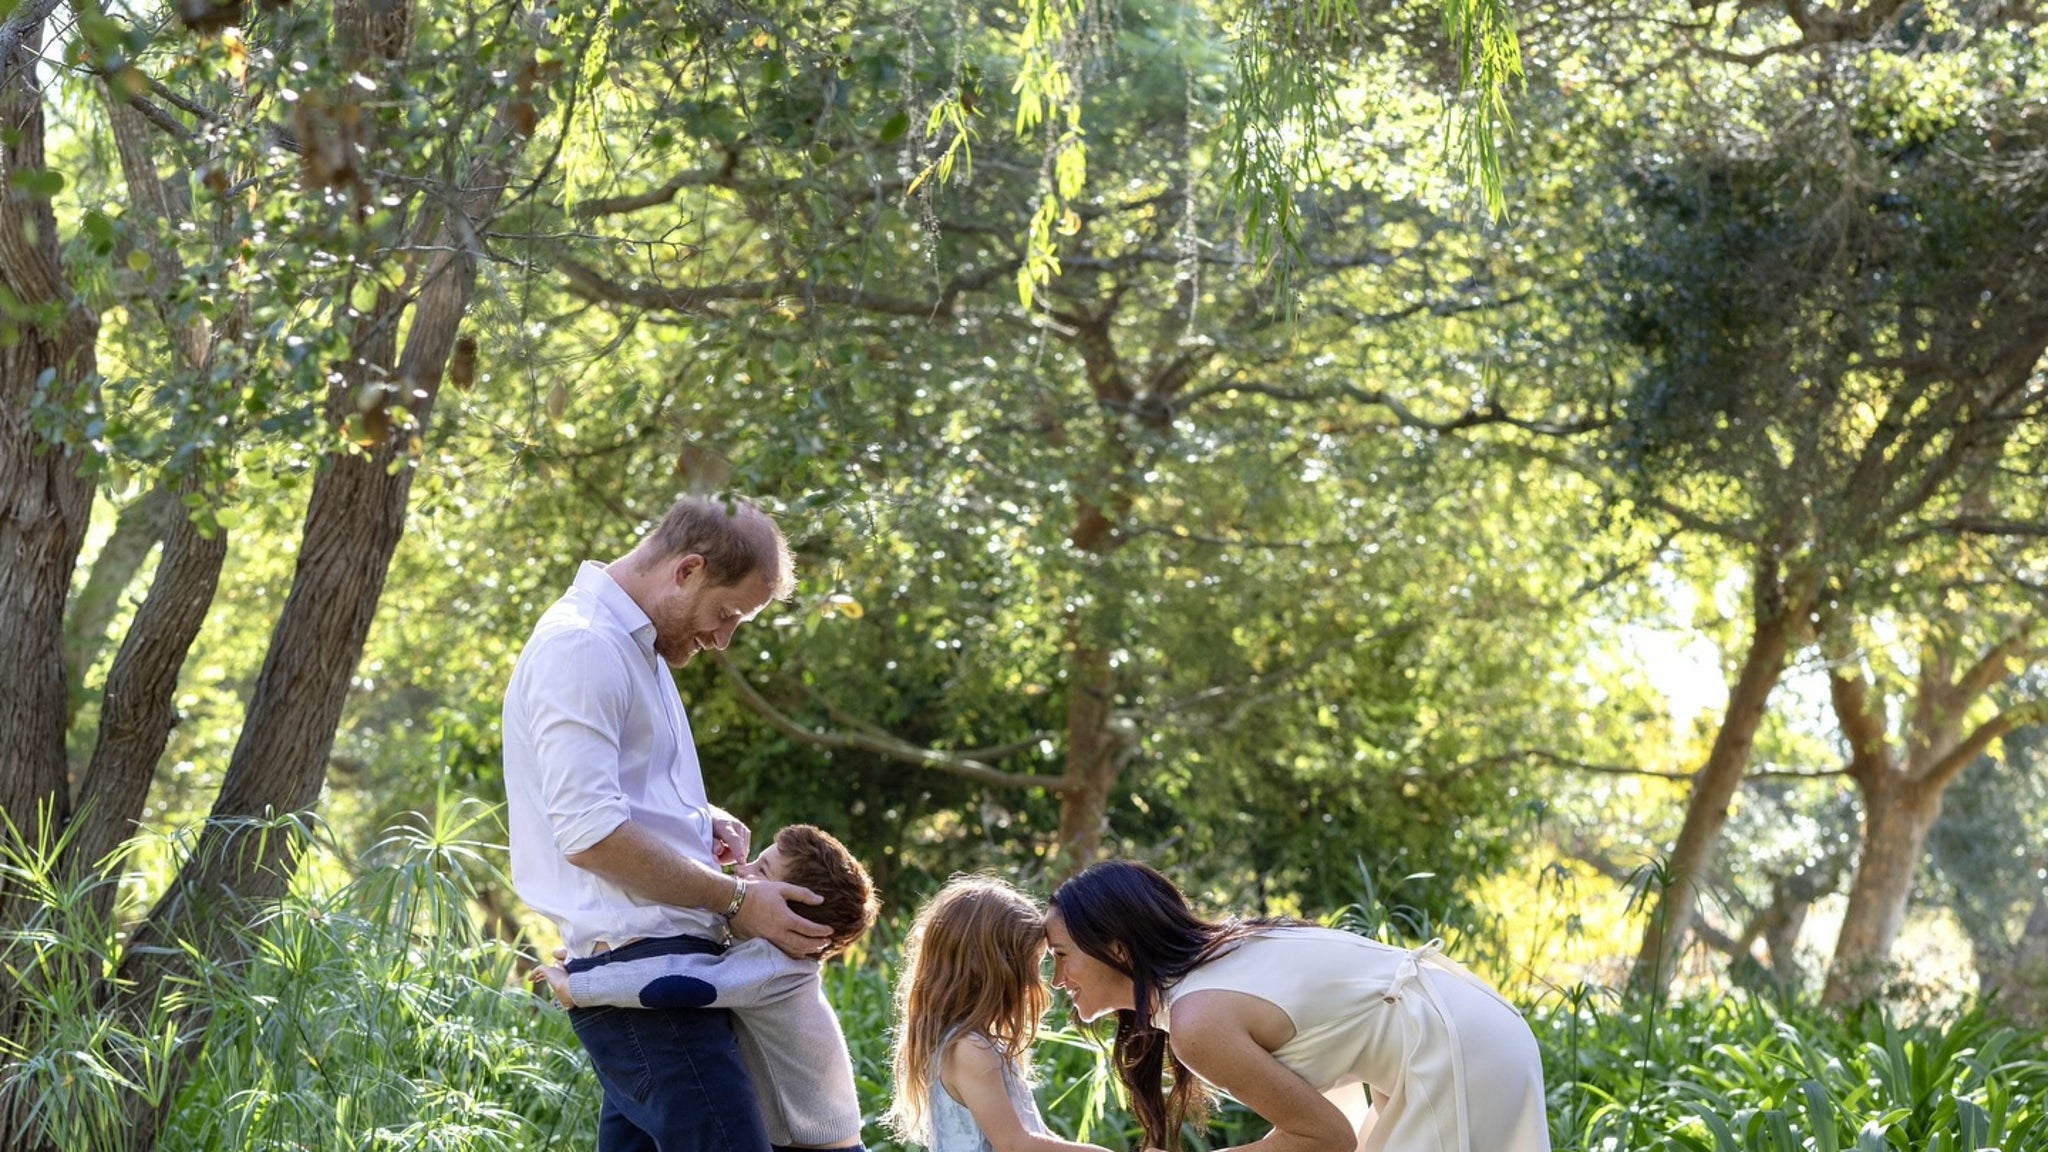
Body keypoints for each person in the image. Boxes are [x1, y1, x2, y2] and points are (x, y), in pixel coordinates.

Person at [504, 493, 834, 1152]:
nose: (722, 639)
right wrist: (738, 900)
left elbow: (607, 797)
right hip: (649, 986)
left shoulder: (636, 647)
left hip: (664, 982)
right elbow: (591, 836)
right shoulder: (584, 647)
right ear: (688, 570)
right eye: (727, 614)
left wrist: (697, 819)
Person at [1046, 860, 1549, 1152]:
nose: (1057, 980)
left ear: (1117, 948)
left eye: (1062, 956)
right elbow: (1328, 1117)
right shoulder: (1221, 961)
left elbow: (1326, 1139)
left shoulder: (1196, 1019)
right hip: (1466, 1024)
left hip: (1455, 1048)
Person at [529, 824, 881, 1152]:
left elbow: (676, 984)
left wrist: (579, 986)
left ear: (796, 917)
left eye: (761, 872)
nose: (741, 870)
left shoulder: (773, 970)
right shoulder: (766, 961)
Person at [885, 876, 1115, 1152]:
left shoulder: (980, 1043)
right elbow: (1014, 1145)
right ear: (996, 970)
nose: (1036, 982)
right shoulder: (969, 1049)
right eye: (1032, 966)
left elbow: (1034, 1134)